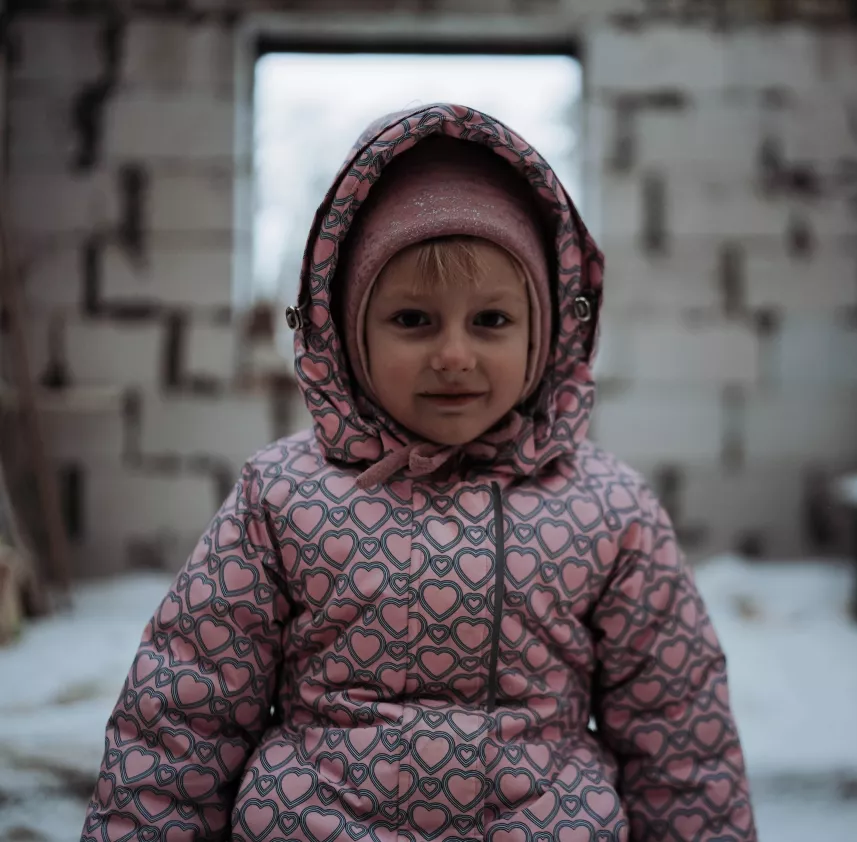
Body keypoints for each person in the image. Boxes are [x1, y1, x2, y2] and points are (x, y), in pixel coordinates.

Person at [81, 104, 757, 842]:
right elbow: (183, 718)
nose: (454, 356)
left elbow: (679, 736)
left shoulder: (608, 509)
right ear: (342, 329)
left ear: (550, 331)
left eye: (491, 321)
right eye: (412, 320)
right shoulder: (282, 497)